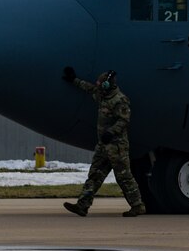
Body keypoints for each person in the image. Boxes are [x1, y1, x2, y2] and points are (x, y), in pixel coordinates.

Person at [61, 67, 148, 216]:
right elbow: (89, 88)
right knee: (95, 174)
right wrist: (73, 80)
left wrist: (111, 132)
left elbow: (124, 120)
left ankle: (137, 205)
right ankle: (82, 205)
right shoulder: (102, 95)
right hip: (103, 146)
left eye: (100, 83)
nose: (98, 86)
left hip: (117, 146)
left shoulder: (120, 100)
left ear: (107, 85)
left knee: (124, 177)